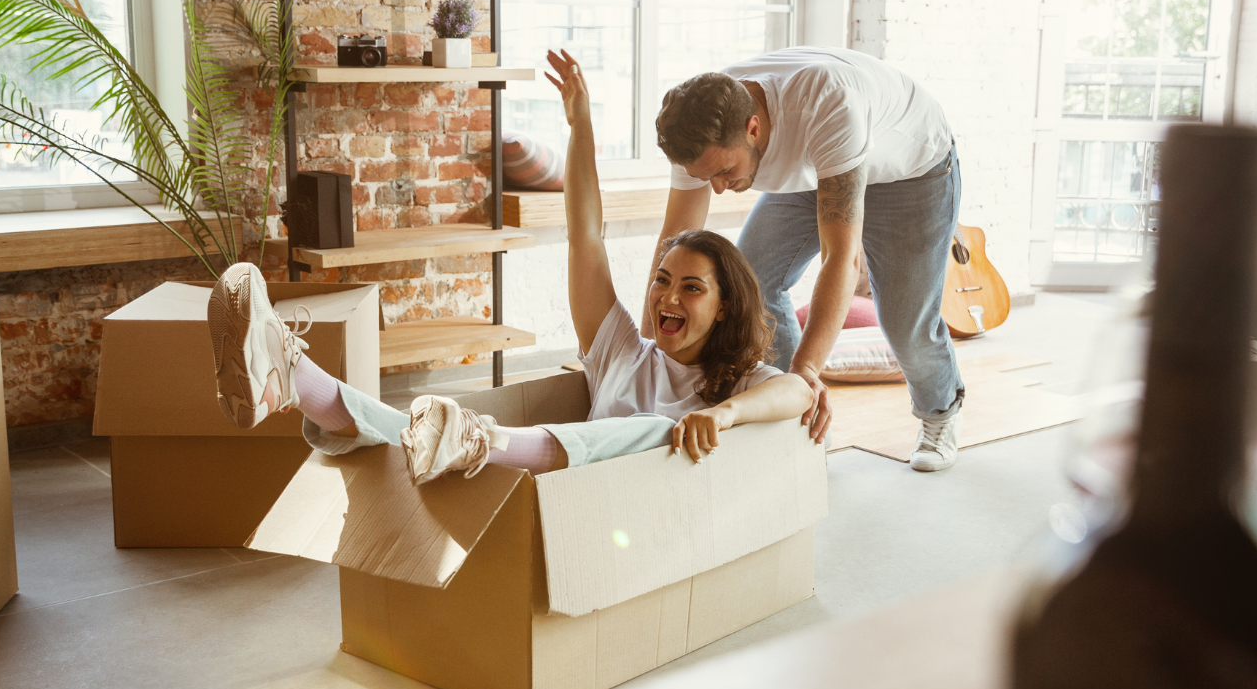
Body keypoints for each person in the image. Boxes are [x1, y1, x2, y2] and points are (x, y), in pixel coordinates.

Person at [208, 50, 813, 483]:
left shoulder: (737, 383)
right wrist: (581, 126)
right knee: (412, 431)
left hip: (635, 531)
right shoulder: (623, 352)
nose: (667, 298)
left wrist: (722, 413)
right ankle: (288, 375)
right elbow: (586, 236)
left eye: (690, 288)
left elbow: (795, 393)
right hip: (563, 507)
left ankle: (466, 437)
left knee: (659, 431)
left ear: (725, 305)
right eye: (660, 280)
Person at [650, 47, 965, 472]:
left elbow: (841, 258)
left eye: (725, 172)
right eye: (707, 178)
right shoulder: (699, 126)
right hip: (820, 165)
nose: (719, 189)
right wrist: (649, 352)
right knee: (752, 282)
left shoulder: (827, 103)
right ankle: (794, 417)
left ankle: (939, 412)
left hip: (910, 171)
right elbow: (673, 247)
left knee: (904, 319)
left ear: (754, 128)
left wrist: (807, 370)